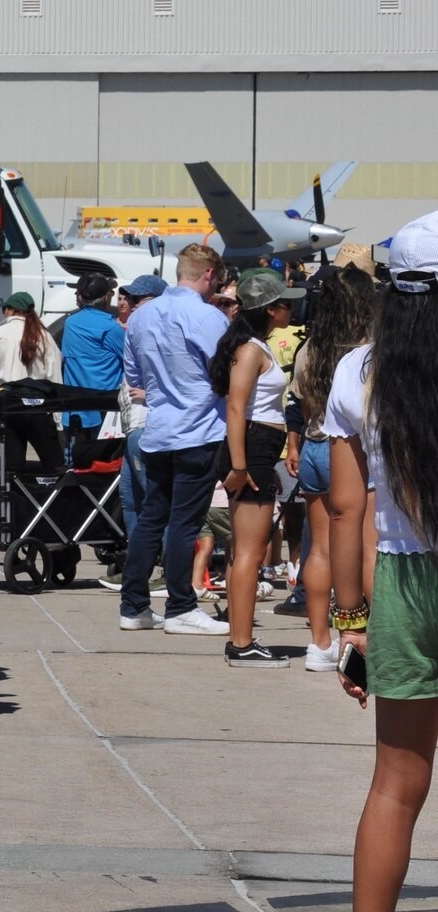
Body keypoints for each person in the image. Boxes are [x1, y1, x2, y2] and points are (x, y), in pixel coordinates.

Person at [327, 210, 438, 912]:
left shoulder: (356, 370)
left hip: (401, 582)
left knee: (395, 786)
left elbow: (345, 509)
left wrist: (352, 621)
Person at [118, 243, 232, 637]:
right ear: (210, 275)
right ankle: (181, 605)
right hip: (198, 429)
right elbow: (225, 373)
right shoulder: (208, 316)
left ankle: (133, 606)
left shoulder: (141, 316)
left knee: (152, 518)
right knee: (185, 522)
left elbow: (134, 373)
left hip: (159, 429)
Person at [209, 268, 306, 667]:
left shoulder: (255, 346)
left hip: (256, 447)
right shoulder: (250, 350)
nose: (291, 308)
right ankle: (242, 643)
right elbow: (236, 406)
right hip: (251, 450)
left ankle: (240, 636)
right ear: (269, 310)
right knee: (250, 550)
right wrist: (239, 464)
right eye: (285, 302)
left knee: (242, 551)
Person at [290, 265, 376, 671]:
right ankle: (374, 634)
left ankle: (319, 643)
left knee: (321, 547)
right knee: (367, 548)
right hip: (351, 451)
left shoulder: (310, 349)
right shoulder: (366, 350)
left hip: (313, 444)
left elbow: (303, 403)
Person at [107, 274, 168, 586]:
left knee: (157, 501)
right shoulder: (136, 331)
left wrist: (153, 395)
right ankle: (137, 570)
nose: (130, 304)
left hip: (148, 427)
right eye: (130, 298)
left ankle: (168, 572)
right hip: (132, 428)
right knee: (131, 501)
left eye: (139, 298)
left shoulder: (161, 331)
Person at [0, 291, 64, 471]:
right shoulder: (44, 336)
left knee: (12, 468)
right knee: (54, 464)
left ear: (11, 310)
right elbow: (54, 377)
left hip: (8, 406)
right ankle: (57, 497)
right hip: (38, 406)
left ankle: (14, 499)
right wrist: (58, 418)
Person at [60, 272, 127, 457]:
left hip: (75, 405)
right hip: (105, 407)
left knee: (75, 462)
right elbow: (133, 361)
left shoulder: (70, 323)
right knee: (105, 463)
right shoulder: (111, 328)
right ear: (106, 297)